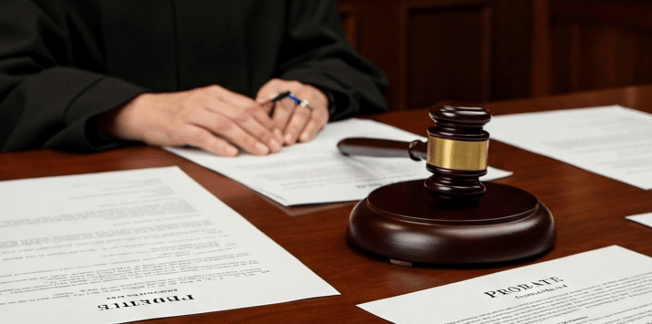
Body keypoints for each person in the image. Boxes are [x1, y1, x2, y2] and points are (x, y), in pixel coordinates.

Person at [0, 0, 388, 155]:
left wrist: (314, 91)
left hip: (261, 180)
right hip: (96, 193)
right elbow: (9, 76)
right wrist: (131, 111)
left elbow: (333, 57)